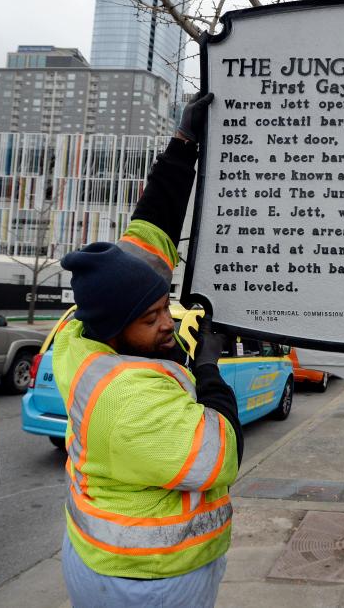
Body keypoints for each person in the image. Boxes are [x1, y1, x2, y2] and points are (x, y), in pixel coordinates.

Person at [55, 92, 244, 608]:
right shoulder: (130, 401)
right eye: (151, 318)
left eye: (165, 306)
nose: (168, 324)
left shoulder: (88, 324)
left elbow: (150, 230)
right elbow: (220, 454)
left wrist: (183, 146)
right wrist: (207, 368)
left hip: (108, 560)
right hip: (145, 580)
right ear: (117, 330)